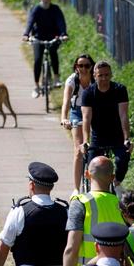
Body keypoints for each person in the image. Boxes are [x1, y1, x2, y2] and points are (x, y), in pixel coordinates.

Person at [62, 156, 125, 266]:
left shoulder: (81, 202)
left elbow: (71, 248)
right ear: (112, 178)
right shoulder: (121, 205)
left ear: (86, 174)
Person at [77, 60, 132, 195]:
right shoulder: (89, 93)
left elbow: (124, 115)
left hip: (116, 134)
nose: (104, 78)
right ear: (94, 76)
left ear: (111, 75)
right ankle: (94, 191)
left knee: (122, 159)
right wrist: (85, 140)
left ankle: (117, 182)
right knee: (92, 166)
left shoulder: (119, 90)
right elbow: (86, 118)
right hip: (97, 136)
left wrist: (127, 138)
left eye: (107, 75)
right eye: (100, 75)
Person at [22, 0, 68, 98]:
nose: (45, 0)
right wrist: (26, 34)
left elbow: (61, 22)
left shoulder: (55, 9)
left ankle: (56, 78)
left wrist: (63, 34)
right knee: (37, 60)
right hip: (38, 37)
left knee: (53, 53)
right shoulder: (36, 9)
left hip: (53, 37)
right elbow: (30, 22)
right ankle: (36, 86)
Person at [60, 54, 95, 193]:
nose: (84, 69)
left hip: (94, 111)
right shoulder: (72, 81)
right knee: (78, 151)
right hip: (77, 112)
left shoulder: (95, 80)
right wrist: (64, 118)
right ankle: (76, 188)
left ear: (91, 67)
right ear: (76, 67)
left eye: (87, 66)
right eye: (80, 66)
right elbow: (66, 102)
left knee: (97, 147)